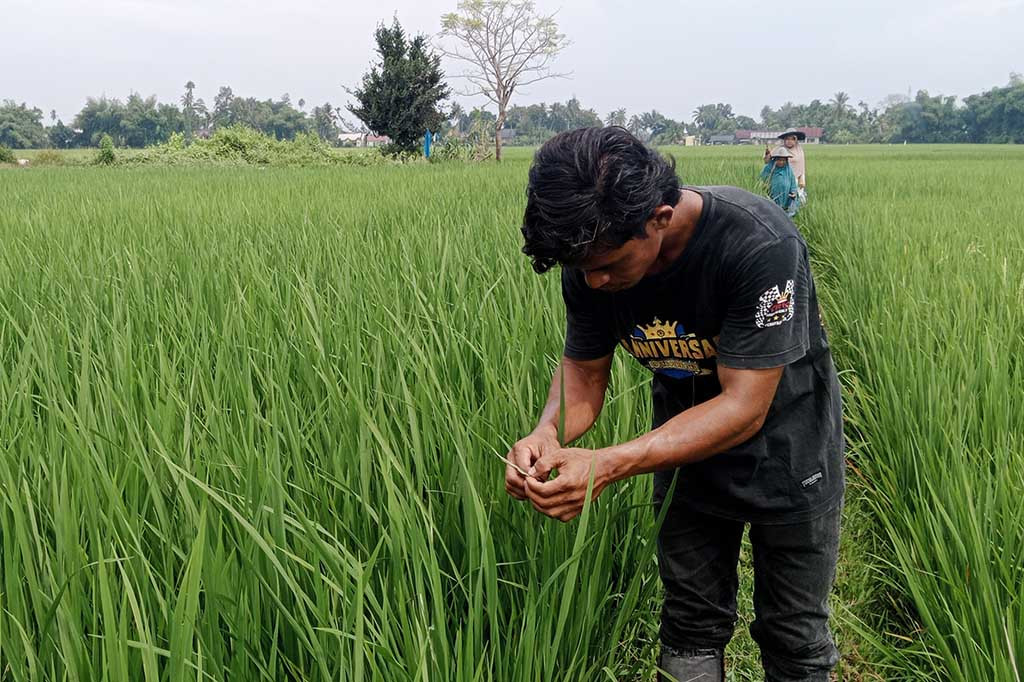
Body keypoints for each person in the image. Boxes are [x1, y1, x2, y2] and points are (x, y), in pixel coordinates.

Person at [506, 126, 844, 682]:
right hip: (683, 460)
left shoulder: (756, 243)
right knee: (689, 626)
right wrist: (548, 433)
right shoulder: (591, 264)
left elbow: (744, 406)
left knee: (794, 633)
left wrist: (611, 462)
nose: (595, 281)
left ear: (659, 219)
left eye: (609, 264)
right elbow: (585, 375)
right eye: (583, 268)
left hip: (791, 460)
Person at [764, 129, 807, 203]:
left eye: (792, 139)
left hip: (796, 179)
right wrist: (767, 154)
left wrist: (802, 178)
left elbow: (801, 166)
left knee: (798, 199)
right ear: (784, 140)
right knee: (780, 199)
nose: (789, 141)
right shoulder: (779, 149)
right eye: (787, 139)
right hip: (781, 178)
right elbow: (767, 161)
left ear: (796, 140)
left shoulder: (799, 150)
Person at [760, 146, 800, 216]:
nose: (781, 162)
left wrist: (793, 193)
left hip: (786, 198)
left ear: (786, 160)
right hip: (772, 197)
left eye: (783, 160)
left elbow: (793, 184)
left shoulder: (788, 170)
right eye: (779, 160)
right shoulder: (770, 168)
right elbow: (762, 179)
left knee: (786, 214)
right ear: (775, 160)